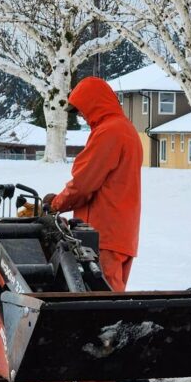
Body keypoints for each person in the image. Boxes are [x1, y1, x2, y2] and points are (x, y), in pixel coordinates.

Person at [43, 76, 143, 292]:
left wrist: (56, 204)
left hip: (102, 233)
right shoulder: (126, 130)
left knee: (100, 298)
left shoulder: (109, 132)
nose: (81, 115)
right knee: (111, 295)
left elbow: (84, 183)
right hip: (121, 232)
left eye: (81, 109)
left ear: (93, 103)